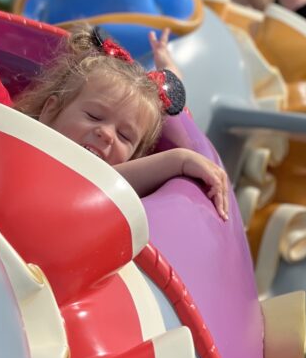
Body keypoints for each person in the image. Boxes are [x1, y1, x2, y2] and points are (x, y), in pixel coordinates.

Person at [15, 23, 229, 219]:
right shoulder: (18, 146)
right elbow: (99, 184)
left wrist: (169, 67)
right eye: (94, 116)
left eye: (125, 136)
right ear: (51, 109)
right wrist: (178, 160)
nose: (107, 134)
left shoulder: (112, 180)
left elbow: (108, 181)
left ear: (134, 158)